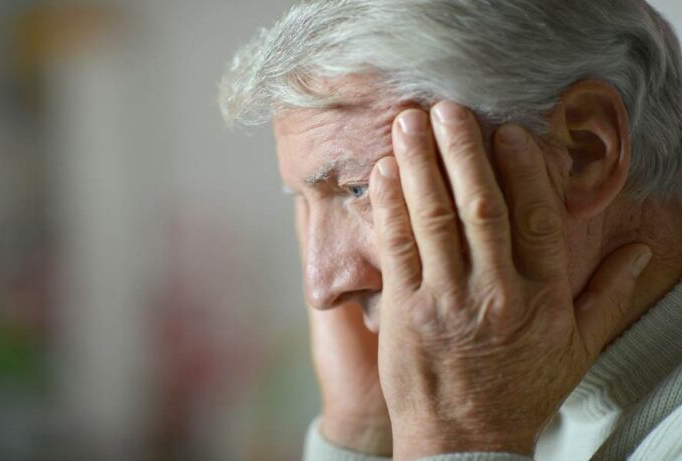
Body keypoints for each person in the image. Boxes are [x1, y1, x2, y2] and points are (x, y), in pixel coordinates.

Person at [219, 1, 682, 459]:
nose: (322, 286)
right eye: (304, 202)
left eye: (358, 189)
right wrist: (365, 432)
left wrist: (458, 434)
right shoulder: (526, 393)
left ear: (583, 153)